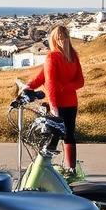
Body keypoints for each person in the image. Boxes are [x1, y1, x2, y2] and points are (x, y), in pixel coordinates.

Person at [26, 24, 84, 170]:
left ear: (53, 39)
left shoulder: (52, 56)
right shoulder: (73, 55)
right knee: (69, 135)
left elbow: (50, 84)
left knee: (53, 135)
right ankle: (71, 168)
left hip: (58, 103)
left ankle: (44, 168)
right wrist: (29, 86)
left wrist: (53, 106)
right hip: (72, 102)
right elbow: (44, 76)